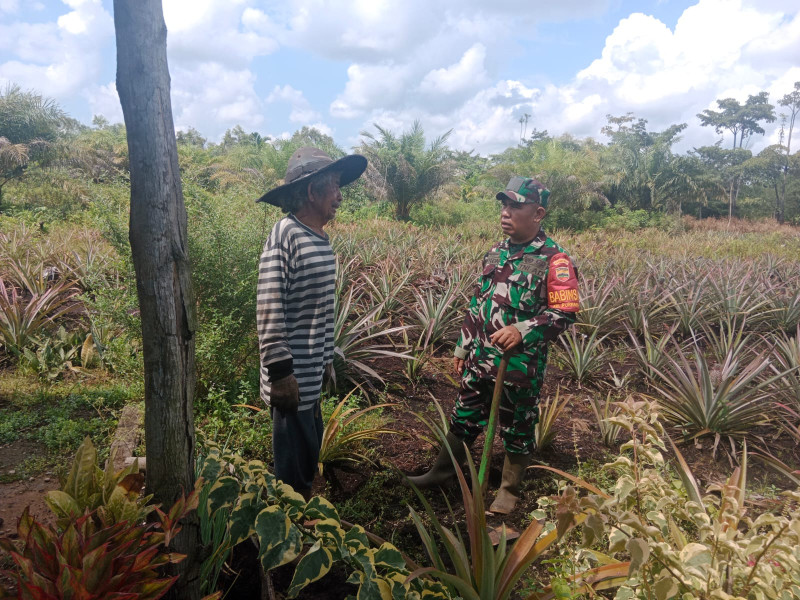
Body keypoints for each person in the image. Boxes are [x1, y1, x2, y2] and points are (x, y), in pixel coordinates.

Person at [407, 176, 579, 514]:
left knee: (518, 423)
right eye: (504, 204)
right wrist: (463, 345)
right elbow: (480, 302)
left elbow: (565, 312)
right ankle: (442, 474)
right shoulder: (497, 251)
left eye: (516, 205)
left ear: (538, 212)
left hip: (518, 364)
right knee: (465, 414)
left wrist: (524, 329)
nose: (506, 212)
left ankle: (508, 491)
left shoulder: (554, 259)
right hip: (480, 356)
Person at [255, 147, 367, 500]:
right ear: (311, 192)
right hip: (290, 378)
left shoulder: (317, 238)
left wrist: (324, 361)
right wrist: (281, 373)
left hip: (308, 374)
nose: (339, 195)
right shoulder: (285, 234)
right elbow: (269, 305)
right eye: (333, 185)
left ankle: (298, 517)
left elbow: (318, 310)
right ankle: (286, 535)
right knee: (292, 468)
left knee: (306, 453)